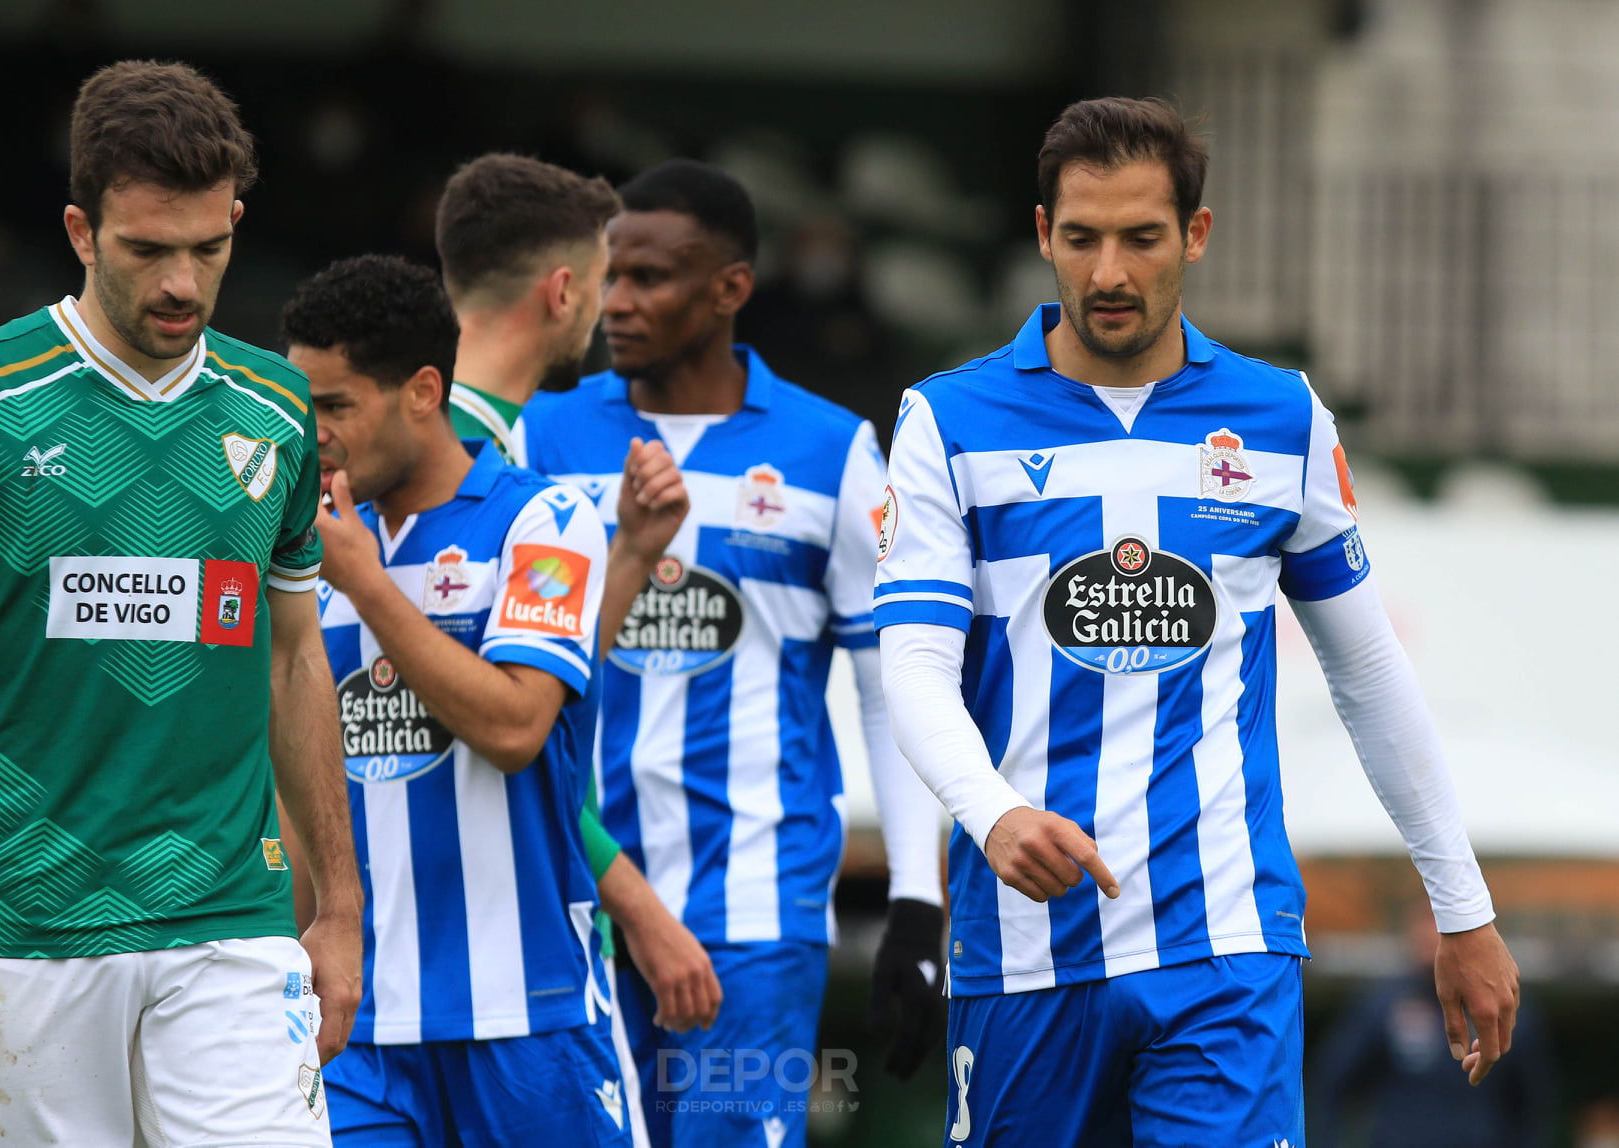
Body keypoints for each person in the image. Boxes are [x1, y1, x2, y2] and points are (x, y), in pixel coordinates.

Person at [875, 95, 1521, 1147]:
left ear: (1195, 235)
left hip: (1226, 943)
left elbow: (1366, 672)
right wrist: (991, 810)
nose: (1108, 273)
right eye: (1079, 238)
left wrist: (1461, 904)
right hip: (1025, 947)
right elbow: (909, 661)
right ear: (1043, 235)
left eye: (1140, 237)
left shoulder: (1278, 417)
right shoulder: (948, 420)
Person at [0, 61, 361, 1145]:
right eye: (149, 249)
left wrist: (338, 904)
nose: (182, 285)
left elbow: (297, 658)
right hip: (18, 929)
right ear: (79, 229)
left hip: (231, 932)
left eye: (209, 247)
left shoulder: (276, 407)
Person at [523, 159, 948, 1148]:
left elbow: (891, 683)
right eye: (608, 275)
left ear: (729, 289)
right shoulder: (541, 435)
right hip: (567, 899)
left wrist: (917, 904)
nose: (617, 301)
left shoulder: (830, 450)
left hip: (752, 910)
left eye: (650, 278)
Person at [282, 253, 628, 1145]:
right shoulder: (295, 548)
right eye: (300, 406)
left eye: (336, 406)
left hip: (527, 1017)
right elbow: (292, 783)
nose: (312, 433)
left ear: (424, 391)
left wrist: (367, 585)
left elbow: (516, 725)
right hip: (355, 1029)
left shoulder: (542, 522)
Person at [434, 153, 722, 1140]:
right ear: (563, 290)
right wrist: (638, 905)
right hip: (510, 961)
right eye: (603, 283)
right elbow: (504, 726)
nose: (607, 310)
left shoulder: (466, 441)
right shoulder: (465, 463)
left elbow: (524, 684)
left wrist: (631, 559)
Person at [1311, 903, 1552, 1148]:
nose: (1434, 932)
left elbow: (1532, 1105)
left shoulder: (1504, 1007)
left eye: (1443, 922)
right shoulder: (1383, 1003)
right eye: (1428, 919)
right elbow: (1332, 1082)